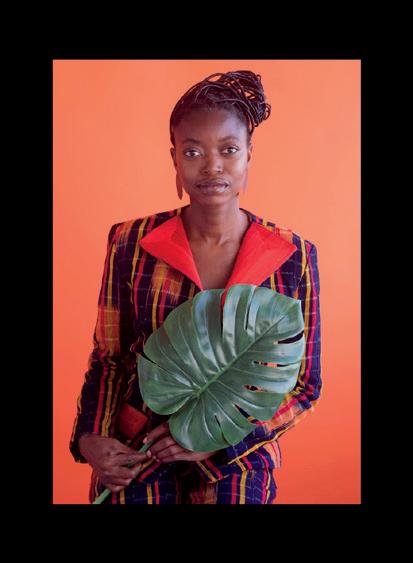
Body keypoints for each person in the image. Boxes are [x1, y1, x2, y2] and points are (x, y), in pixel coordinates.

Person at [69, 70, 322, 504]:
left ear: (249, 155)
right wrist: (91, 438)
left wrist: (218, 439)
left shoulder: (293, 255)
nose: (212, 166)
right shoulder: (131, 242)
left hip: (235, 453)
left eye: (228, 149)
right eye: (192, 151)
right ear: (174, 158)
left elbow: (304, 385)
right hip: (140, 444)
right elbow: (110, 357)